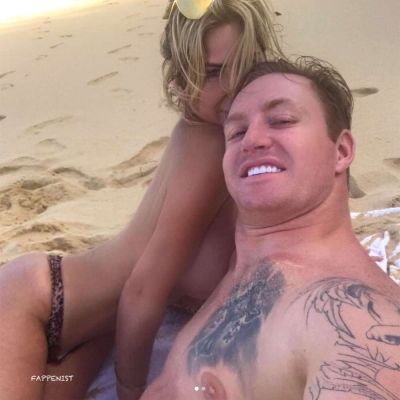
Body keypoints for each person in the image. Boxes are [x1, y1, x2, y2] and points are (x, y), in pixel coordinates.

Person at [0, 1, 283, 399]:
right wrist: (131, 391)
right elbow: (143, 290)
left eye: (246, 64)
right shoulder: (210, 145)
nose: (233, 85)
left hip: (91, 333)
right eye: (214, 73)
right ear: (180, 79)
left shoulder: (215, 134)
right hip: (42, 307)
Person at [138, 57, 400, 400]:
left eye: (282, 120)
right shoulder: (227, 267)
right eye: (236, 132)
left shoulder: (352, 321)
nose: (252, 140)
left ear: (341, 151)